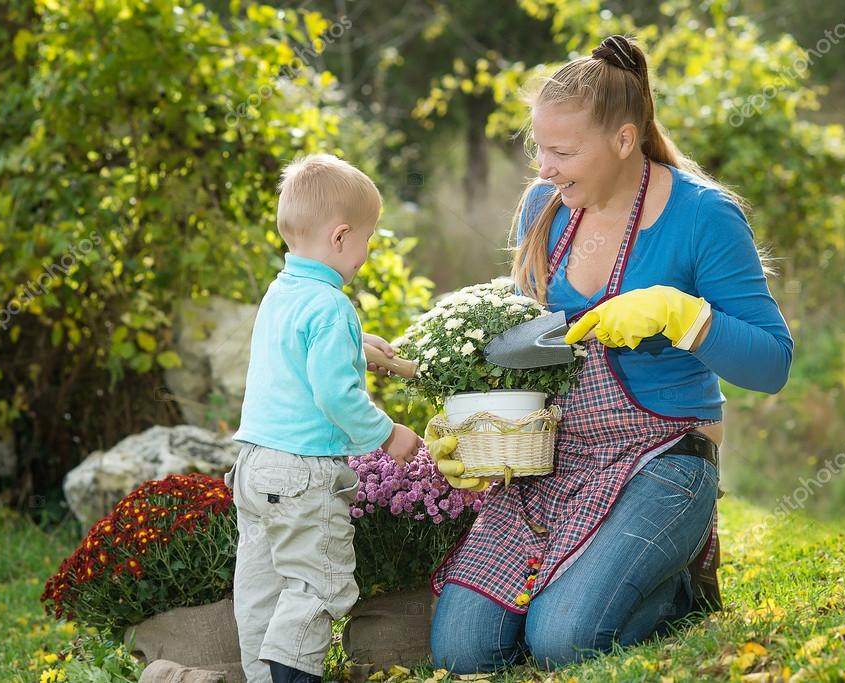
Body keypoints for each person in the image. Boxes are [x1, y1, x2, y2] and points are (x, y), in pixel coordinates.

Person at [426, 35, 793, 672]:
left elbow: (772, 363)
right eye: (539, 146)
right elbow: (532, 351)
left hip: (665, 458)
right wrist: (475, 424)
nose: (543, 166)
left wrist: (685, 316)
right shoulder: (545, 209)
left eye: (562, 151)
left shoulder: (704, 216)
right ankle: (607, 584)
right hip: (560, 460)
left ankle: (680, 585)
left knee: (562, 641)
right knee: (464, 649)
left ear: (624, 141)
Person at [225, 154, 421, 683]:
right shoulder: (334, 308)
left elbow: (301, 356)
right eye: (368, 237)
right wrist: (387, 434)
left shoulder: (282, 292)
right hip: (302, 474)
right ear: (340, 238)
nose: (368, 250)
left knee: (262, 594)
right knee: (319, 586)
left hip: (254, 468)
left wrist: (361, 346)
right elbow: (335, 394)